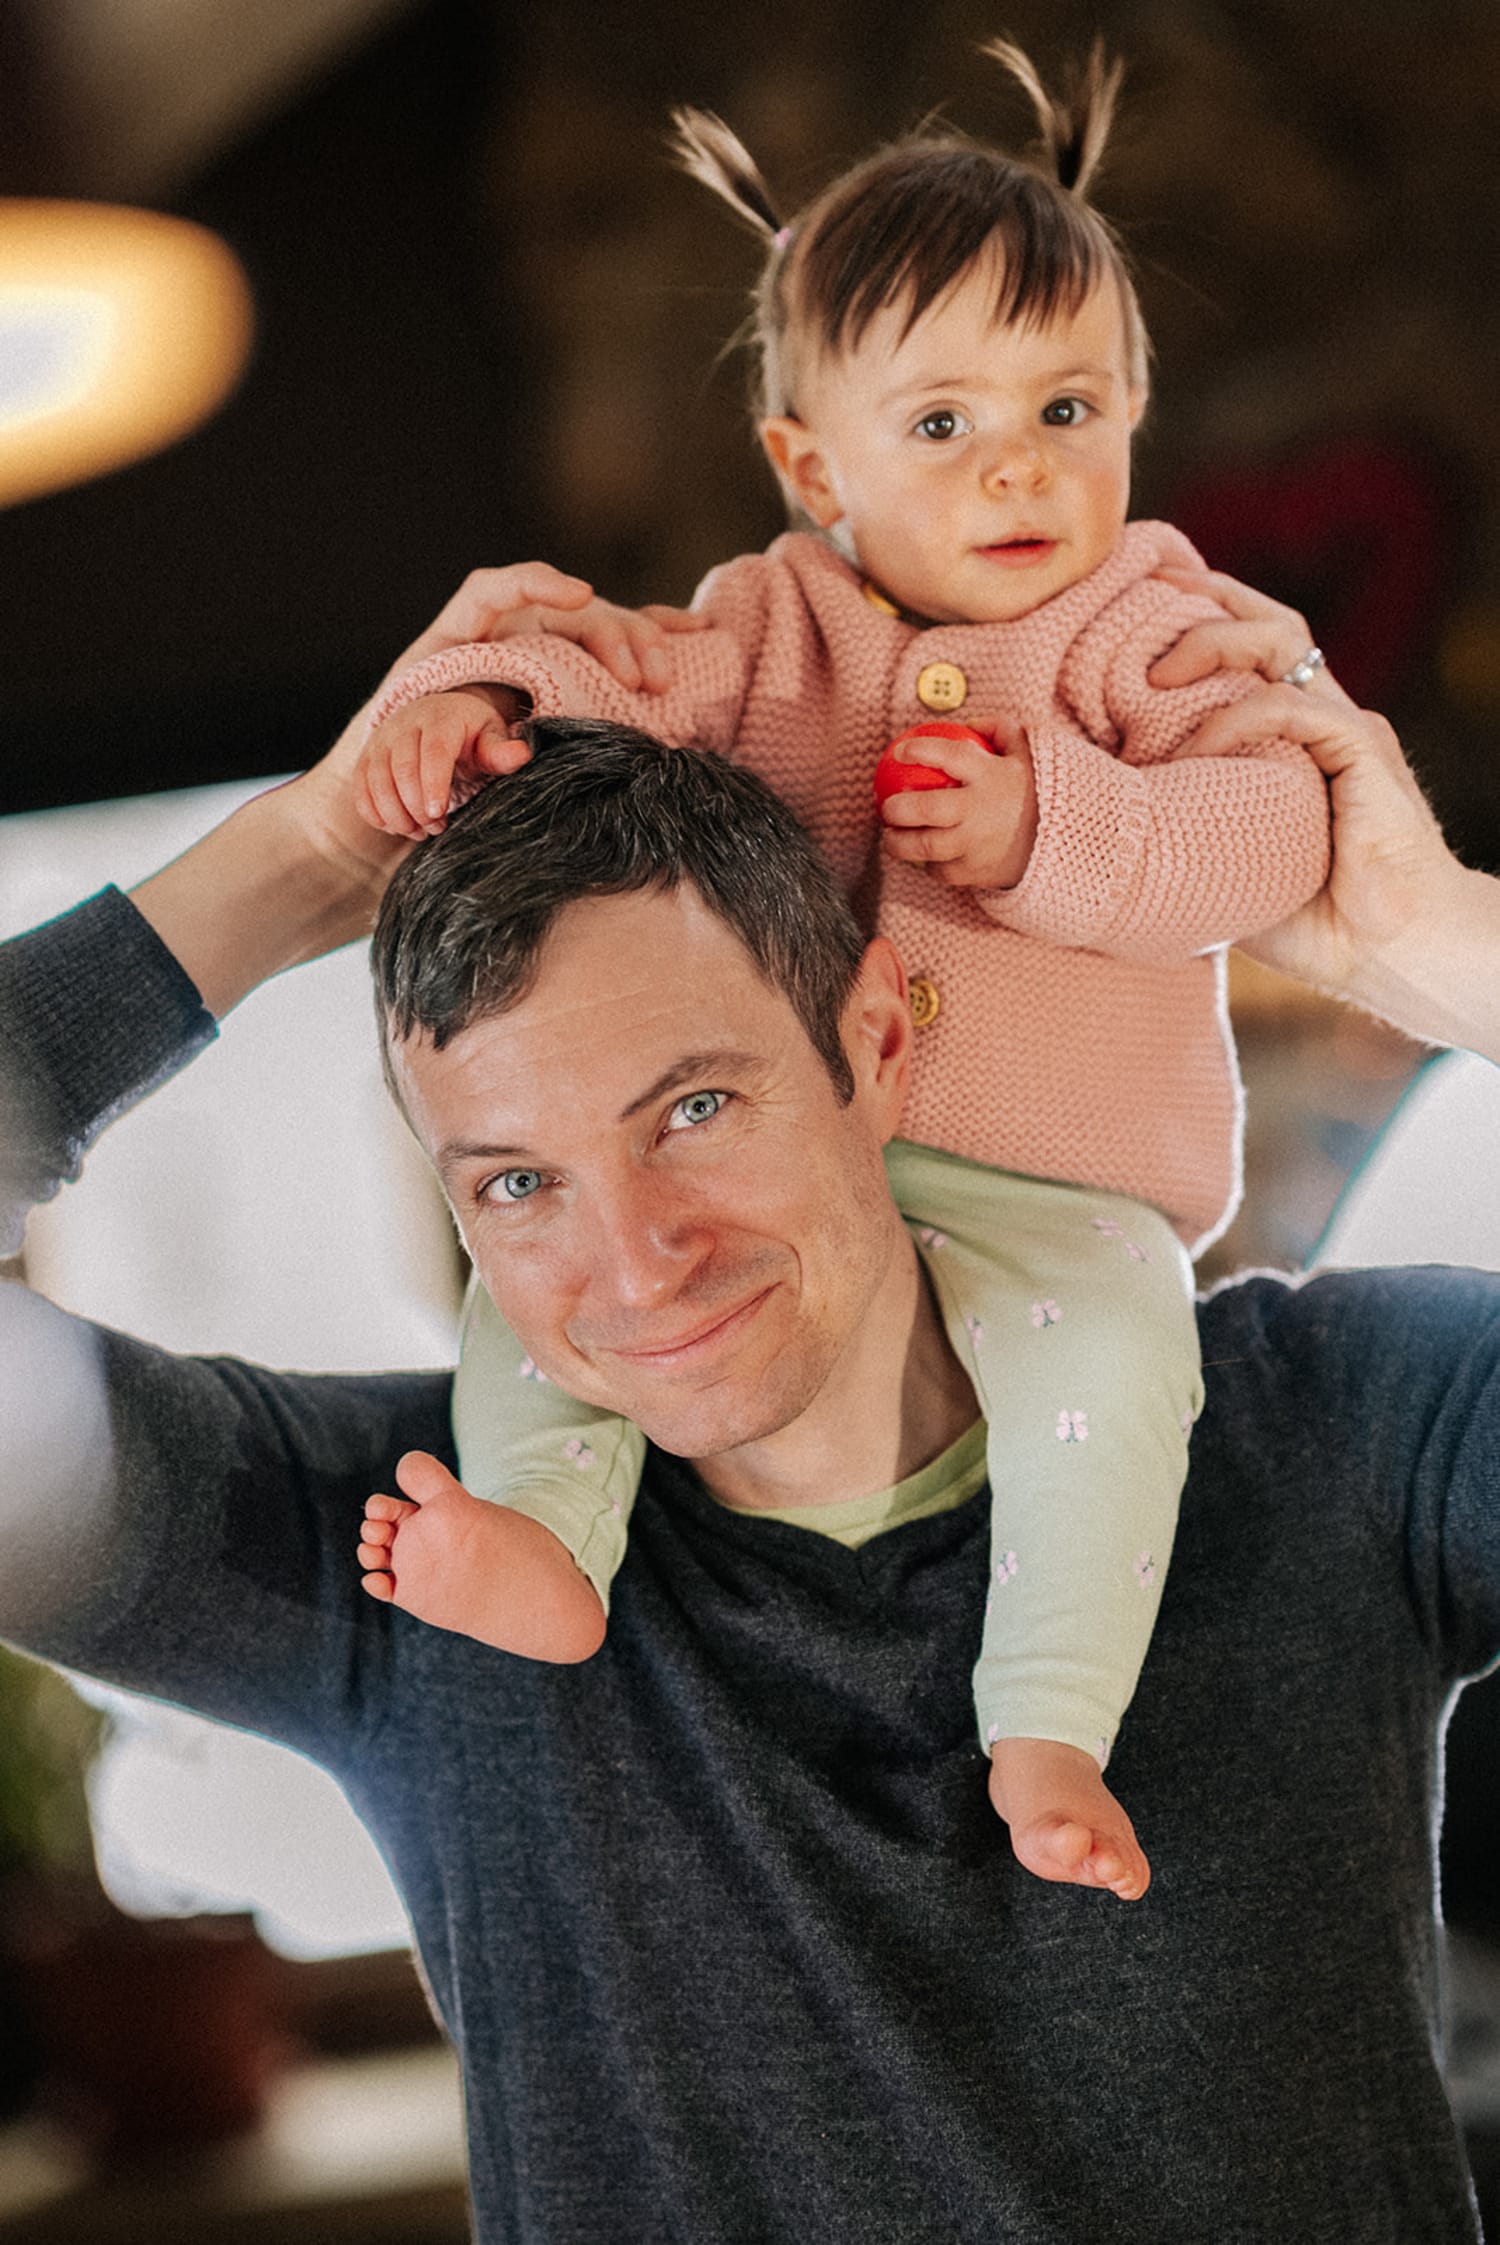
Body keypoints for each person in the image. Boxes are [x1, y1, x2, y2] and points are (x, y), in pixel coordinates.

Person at [2, 563, 1500, 2235]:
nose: (636, 1264)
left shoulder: (1339, 1434)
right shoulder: (417, 1556)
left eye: (695, 1106)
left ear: (874, 1044)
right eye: (514, 1186)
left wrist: (1428, 945)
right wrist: (298, 863)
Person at [348, 44, 1333, 1901]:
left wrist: (1066, 836)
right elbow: (595, 677)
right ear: (813, 465)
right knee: (541, 1305)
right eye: (944, 425)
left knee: (1119, 1370)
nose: (1022, 466)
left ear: (1136, 409)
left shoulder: (1150, 629)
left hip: (1066, 1179)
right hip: (795, 1165)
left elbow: (1273, 829)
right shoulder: (767, 625)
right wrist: (457, 709)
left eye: (1070, 405)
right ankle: (553, 1543)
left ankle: (1046, 1715)